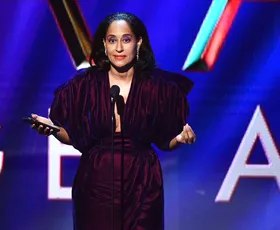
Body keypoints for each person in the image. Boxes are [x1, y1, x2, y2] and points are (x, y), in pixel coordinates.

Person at [31, 12, 196, 230]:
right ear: (104, 45)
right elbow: (73, 137)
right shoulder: (83, 85)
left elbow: (166, 141)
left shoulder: (158, 88)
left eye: (126, 40)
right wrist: (52, 129)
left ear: (139, 43)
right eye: (112, 40)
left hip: (143, 181)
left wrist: (180, 138)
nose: (118, 48)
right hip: (96, 180)